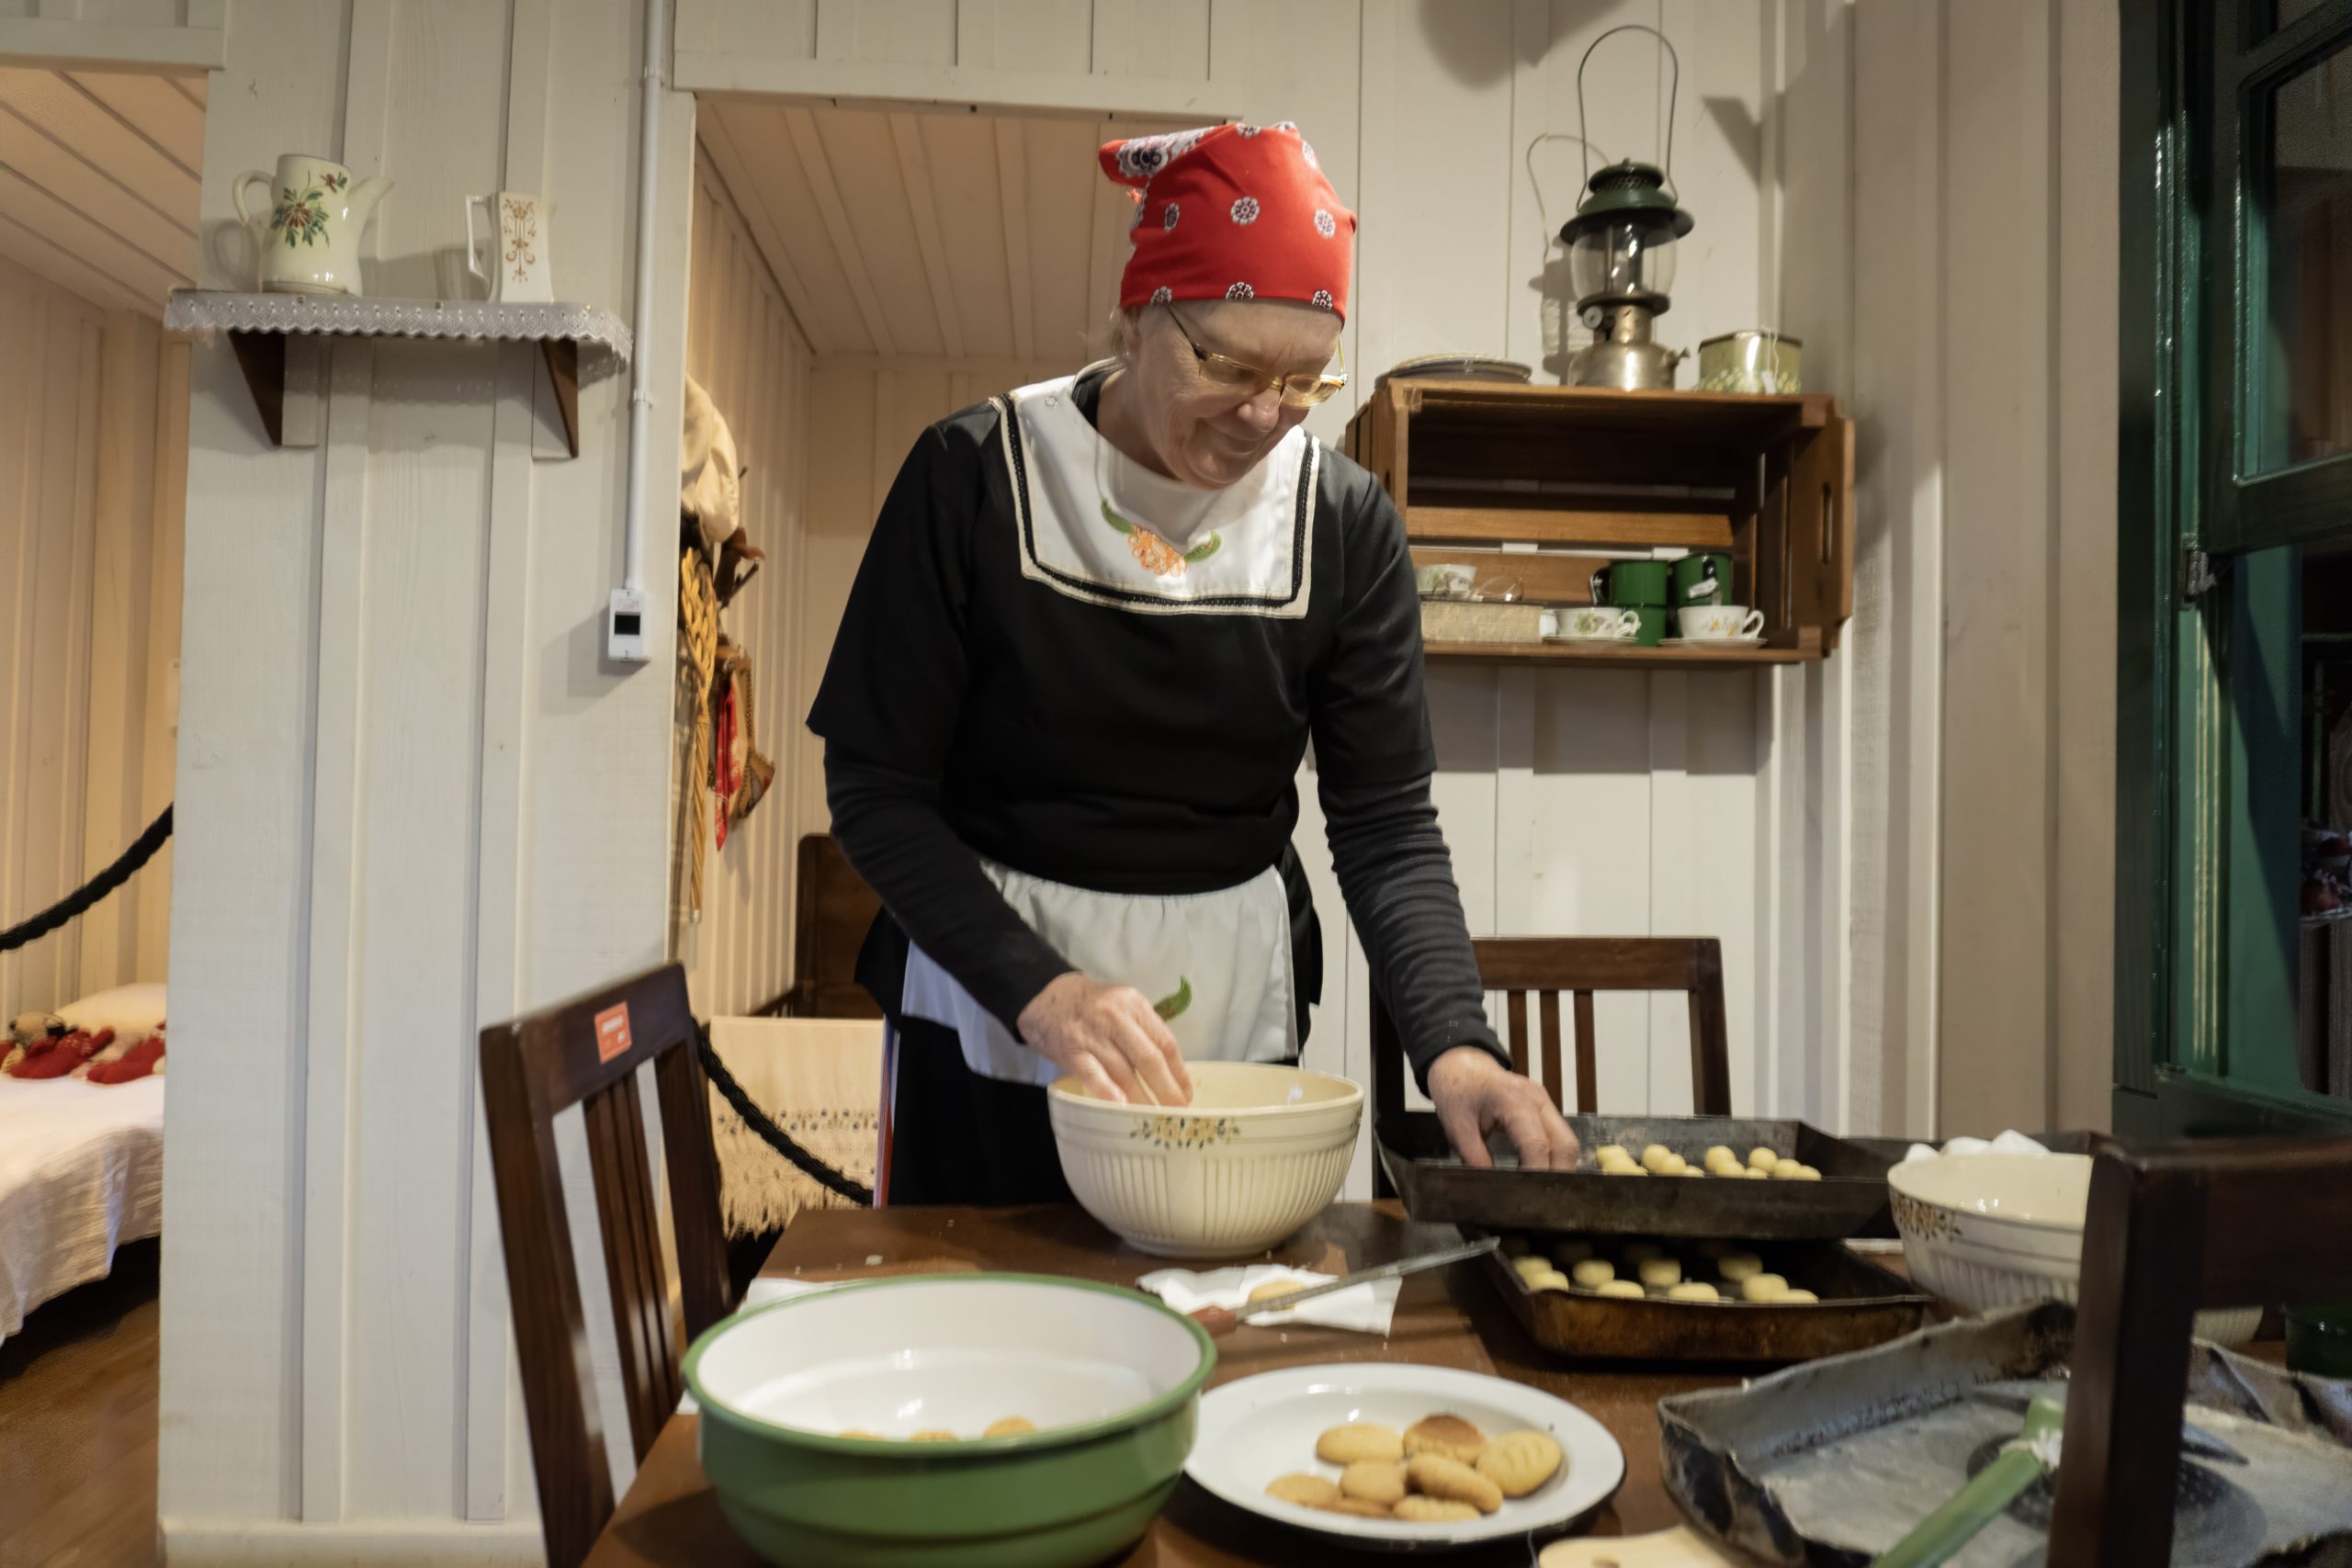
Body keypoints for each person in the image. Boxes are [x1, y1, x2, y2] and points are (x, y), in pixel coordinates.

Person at [810, 120, 1578, 1204]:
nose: (1265, 414)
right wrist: (1040, 991)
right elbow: (876, 792)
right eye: (1227, 364)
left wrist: (1455, 1041)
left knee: (1217, 1320)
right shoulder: (974, 475)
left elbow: (1384, 823)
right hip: (989, 998)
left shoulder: (1344, 523)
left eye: (1306, 381)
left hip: (1227, 1017)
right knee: (986, 1316)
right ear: (1135, 317)